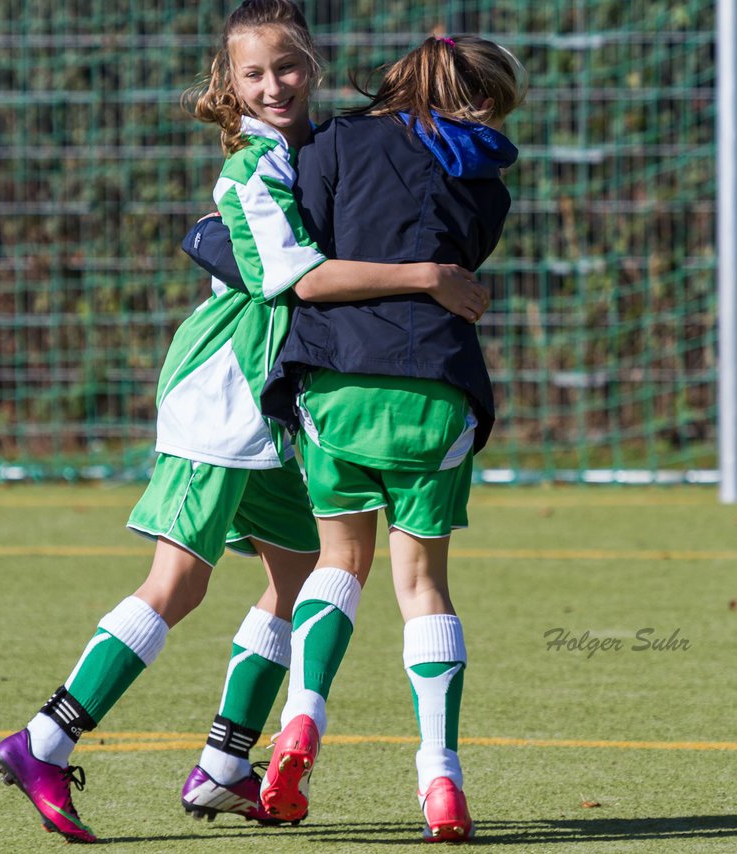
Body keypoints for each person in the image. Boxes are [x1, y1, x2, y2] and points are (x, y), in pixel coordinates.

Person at [0, 2, 491, 843]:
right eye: (253, 74)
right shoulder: (252, 172)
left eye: (286, 67)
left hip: (278, 405)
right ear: (230, 83)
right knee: (177, 583)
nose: (272, 86)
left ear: (314, 65)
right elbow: (293, 279)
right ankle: (44, 738)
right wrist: (430, 276)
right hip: (221, 398)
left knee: (302, 579)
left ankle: (224, 766)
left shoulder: (322, 146)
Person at [252, 34, 527, 842]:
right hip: (435, 395)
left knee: (338, 563)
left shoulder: (333, 140)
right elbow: (461, 261)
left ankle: (299, 723)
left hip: (334, 385)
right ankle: (440, 777)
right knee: (424, 588)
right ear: (476, 101)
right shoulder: (483, 176)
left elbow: (306, 249)